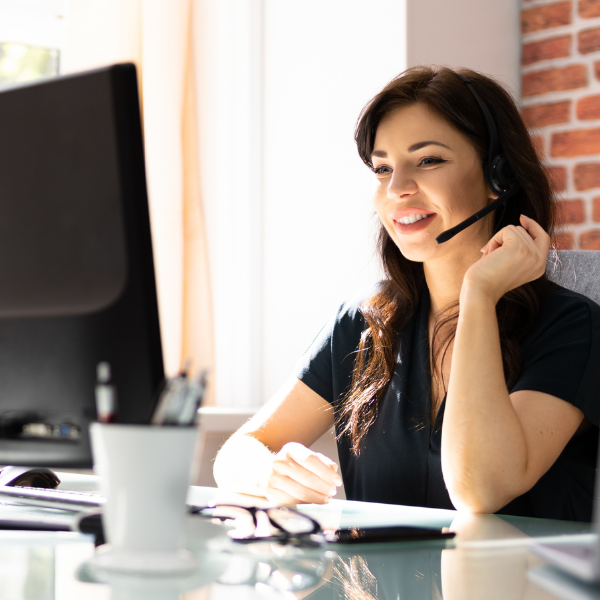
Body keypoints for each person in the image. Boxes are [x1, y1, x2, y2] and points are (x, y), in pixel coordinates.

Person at [214, 66, 600, 521]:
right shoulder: (363, 321)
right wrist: (267, 474)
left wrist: (477, 295)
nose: (397, 189)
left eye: (428, 160)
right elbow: (238, 453)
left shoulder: (572, 326)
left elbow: (480, 490)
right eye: (382, 168)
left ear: (500, 175)